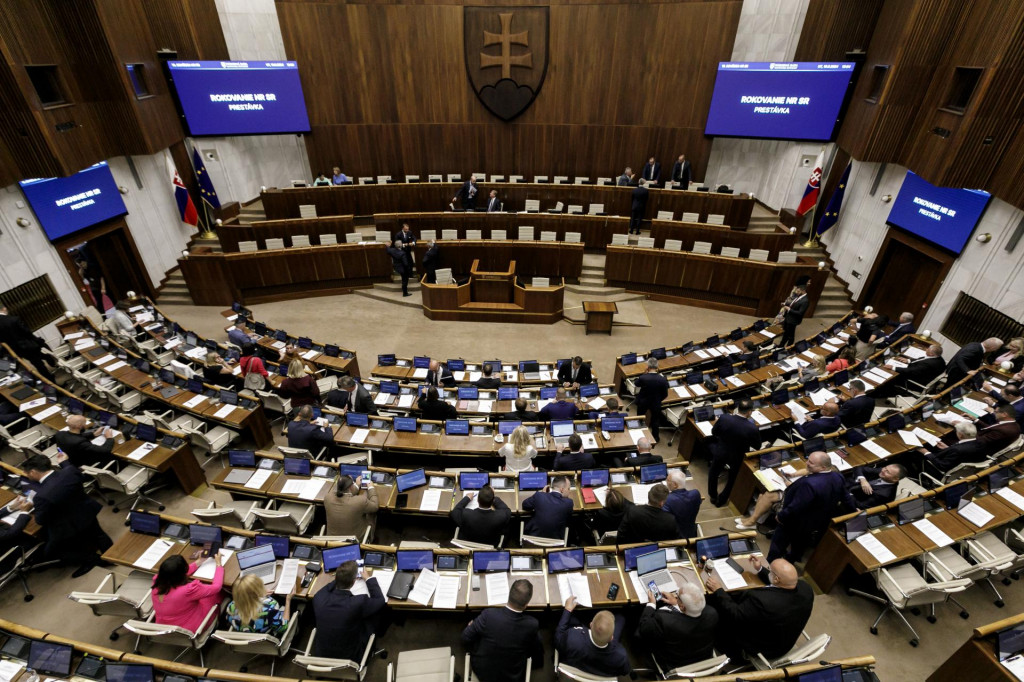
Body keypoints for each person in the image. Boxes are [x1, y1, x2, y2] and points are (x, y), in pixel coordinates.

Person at [705, 556, 813, 662]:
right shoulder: (806, 590)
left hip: (763, 650)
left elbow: (735, 614)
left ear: (776, 578)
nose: (769, 570)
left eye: (770, 570)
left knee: (713, 605)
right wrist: (760, 569)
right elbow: (780, 583)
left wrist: (719, 590)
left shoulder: (763, 602)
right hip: (784, 641)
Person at [20, 454, 112, 577]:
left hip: (69, 524)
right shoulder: (69, 471)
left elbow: (41, 520)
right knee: (98, 533)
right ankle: (111, 556)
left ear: (33, 472)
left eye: (28, 474)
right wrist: (64, 462)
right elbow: (75, 473)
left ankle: (92, 560)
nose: (28, 476)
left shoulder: (41, 496)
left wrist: (26, 510)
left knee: (53, 550)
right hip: (86, 511)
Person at [768, 452, 854, 562]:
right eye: (808, 459)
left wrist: (781, 516)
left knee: (778, 544)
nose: (807, 463)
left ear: (823, 467)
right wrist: (853, 510)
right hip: (815, 522)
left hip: (794, 521)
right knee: (799, 544)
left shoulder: (809, 483)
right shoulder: (837, 476)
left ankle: (772, 564)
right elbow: (846, 496)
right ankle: (791, 560)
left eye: (811, 463)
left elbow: (796, 506)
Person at [462, 579, 543, 682]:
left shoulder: (488, 615)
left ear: (509, 595)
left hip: (484, 672)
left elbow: (465, 637)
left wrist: (471, 627)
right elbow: (536, 650)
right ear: (526, 605)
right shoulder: (532, 624)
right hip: (512, 676)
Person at [311, 560, 385, 660]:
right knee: (375, 615)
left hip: (322, 656)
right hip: (351, 658)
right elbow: (380, 600)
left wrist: (342, 578)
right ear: (354, 581)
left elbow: (327, 588)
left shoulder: (319, 598)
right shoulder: (358, 603)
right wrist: (368, 578)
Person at [637, 582, 717, 671]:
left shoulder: (665, 620)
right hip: (703, 660)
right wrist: (677, 603)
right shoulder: (712, 613)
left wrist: (651, 604)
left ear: (682, 607)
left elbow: (644, 628)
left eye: (677, 596)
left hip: (674, 665)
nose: (675, 596)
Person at [554, 599, 630, 677]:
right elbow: (625, 671)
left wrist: (567, 610)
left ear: (590, 624)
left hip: (577, 666)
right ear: (612, 638)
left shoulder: (572, 639)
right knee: (621, 618)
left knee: (572, 619)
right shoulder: (621, 656)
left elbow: (558, 640)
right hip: (601, 675)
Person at [707, 399, 761, 506]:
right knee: (732, 479)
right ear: (750, 412)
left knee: (713, 473)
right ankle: (721, 500)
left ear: (738, 408)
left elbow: (714, 432)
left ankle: (713, 496)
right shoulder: (752, 428)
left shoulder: (724, 418)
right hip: (737, 457)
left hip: (721, 452)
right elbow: (757, 446)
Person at [151, 554, 224, 632]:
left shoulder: (157, 583)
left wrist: (199, 561)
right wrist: (218, 565)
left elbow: (173, 574)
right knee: (218, 594)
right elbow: (217, 587)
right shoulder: (188, 591)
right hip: (189, 630)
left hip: (163, 629)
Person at [0, 304, 54, 381]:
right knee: (40, 366)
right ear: (4, 309)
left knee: (24, 368)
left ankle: (45, 382)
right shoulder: (14, 319)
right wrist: (37, 341)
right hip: (27, 346)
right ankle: (52, 380)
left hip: (14, 351)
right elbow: (27, 332)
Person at [226, 573, 293, 635]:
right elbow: (283, 628)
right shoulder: (270, 608)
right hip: (268, 638)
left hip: (248, 640)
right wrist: (288, 600)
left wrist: (259, 595)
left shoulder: (230, 607)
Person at [873, 343, 945, 398]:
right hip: (920, 374)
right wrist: (908, 360)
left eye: (928, 349)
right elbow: (923, 358)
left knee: (891, 376)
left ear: (932, 354)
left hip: (914, 382)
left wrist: (893, 368)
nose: (926, 349)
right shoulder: (939, 359)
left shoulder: (928, 364)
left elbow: (911, 371)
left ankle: (880, 393)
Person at [325, 474, 379, 541]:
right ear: (350, 487)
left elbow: (344, 494)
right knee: (371, 513)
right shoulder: (360, 501)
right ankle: (371, 538)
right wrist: (371, 487)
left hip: (331, 541)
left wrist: (356, 485)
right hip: (354, 541)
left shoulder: (328, 498)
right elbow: (375, 506)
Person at [921, 422, 986, 473]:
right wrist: (947, 448)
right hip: (968, 468)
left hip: (947, 470)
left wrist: (926, 452)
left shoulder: (957, 450)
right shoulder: (981, 442)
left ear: (960, 435)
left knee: (917, 455)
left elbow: (942, 466)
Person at [634, 357, 669, 442]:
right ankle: (655, 438)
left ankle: (639, 434)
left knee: (640, 417)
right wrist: (658, 399)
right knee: (655, 420)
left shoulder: (643, 378)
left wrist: (644, 373)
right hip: (656, 403)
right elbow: (665, 394)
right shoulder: (663, 379)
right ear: (657, 367)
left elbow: (636, 384)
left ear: (648, 367)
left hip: (643, 402)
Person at [663, 469, 701, 539]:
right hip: (691, 532)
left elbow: (664, 520)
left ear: (675, 485)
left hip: (676, 536)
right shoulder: (696, 494)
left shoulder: (668, 500)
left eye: (668, 480)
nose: (666, 482)